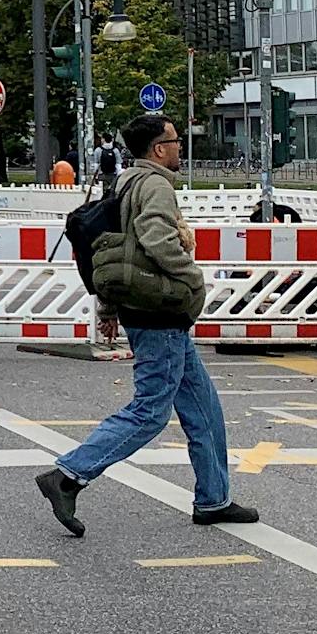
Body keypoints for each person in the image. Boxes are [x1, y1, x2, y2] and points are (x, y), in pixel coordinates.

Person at [35, 111, 258, 537]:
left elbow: (115, 247)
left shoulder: (125, 181)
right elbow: (156, 239)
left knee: (203, 408)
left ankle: (213, 498)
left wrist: (109, 308)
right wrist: (192, 278)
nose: (179, 148)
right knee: (150, 411)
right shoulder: (155, 185)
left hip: (144, 307)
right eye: (174, 141)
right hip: (159, 311)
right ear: (159, 149)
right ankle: (68, 475)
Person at [97, 133, 120, 197]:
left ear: (103, 139)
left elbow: (96, 164)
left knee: (102, 193)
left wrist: (96, 176)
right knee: (112, 192)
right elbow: (118, 164)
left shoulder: (98, 150)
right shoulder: (115, 150)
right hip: (113, 175)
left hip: (102, 175)